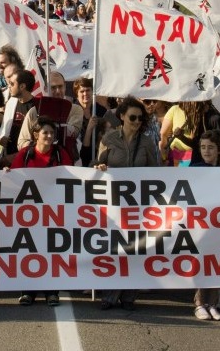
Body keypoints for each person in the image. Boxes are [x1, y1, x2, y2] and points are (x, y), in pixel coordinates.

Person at [95, 97, 160, 310]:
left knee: (135, 249)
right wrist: (100, 167)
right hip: (113, 204)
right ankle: (109, 295)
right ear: (121, 116)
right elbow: (95, 165)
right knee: (114, 248)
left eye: (141, 118)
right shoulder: (109, 138)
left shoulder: (148, 143)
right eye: (132, 117)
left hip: (139, 205)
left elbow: (156, 171)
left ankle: (129, 296)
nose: (136, 121)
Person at [10, 117, 72, 307]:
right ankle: (28, 291)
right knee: (30, 251)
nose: (49, 136)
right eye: (45, 132)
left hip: (54, 212)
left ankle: (52, 292)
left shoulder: (61, 154)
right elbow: (12, 178)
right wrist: (6, 172)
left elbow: (71, 176)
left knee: (52, 251)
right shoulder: (25, 155)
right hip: (29, 213)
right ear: (36, 135)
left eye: (52, 133)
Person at [189, 130, 220, 322]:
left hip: (219, 225)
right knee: (202, 262)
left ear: (219, 150)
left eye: (211, 147)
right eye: (203, 147)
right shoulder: (194, 168)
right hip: (199, 224)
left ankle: (213, 303)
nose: (206, 151)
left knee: (216, 263)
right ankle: (199, 304)